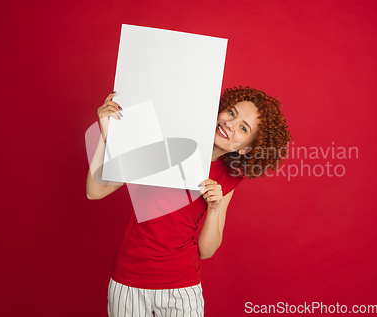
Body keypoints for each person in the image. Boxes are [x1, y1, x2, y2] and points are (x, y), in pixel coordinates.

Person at [86, 86, 292, 317]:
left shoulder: (229, 177)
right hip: (128, 278)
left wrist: (214, 209)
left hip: (182, 286)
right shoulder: (165, 146)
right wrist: (107, 136)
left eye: (243, 128)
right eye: (231, 113)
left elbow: (206, 250)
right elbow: (95, 191)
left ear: (245, 149)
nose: (230, 124)